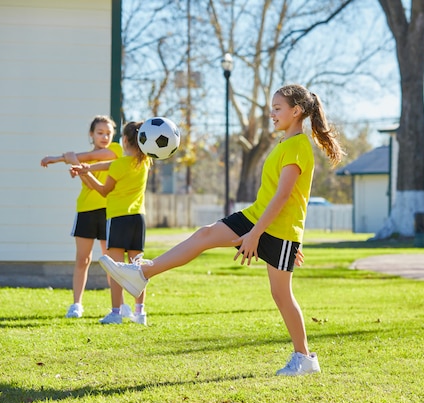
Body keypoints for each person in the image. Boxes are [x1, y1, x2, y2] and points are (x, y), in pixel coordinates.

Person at [98, 84, 345, 375]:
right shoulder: (284, 144)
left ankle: (304, 358)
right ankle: (142, 272)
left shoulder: (298, 146)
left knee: (281, 294)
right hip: (258, 217)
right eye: (272, 108)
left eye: (277, 109)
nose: (272, 114)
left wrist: (259, 236)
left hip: (275, 229)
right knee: (205, 234)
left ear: (296, 111)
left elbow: (285, 196)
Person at [40, 115, 126, 319]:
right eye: (100, 133)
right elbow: (90, 184)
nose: (105, 137)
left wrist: (60, 158)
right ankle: (76, 305)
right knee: (82, 259)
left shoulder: (115, 150)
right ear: (91, 134)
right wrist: (73, 162)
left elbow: (86, 161)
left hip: (109, 211)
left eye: (108, 133)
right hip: (86, 210)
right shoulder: (84, 157)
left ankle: (120, 306)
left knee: (110, 261)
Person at [71, 121, 151, 325]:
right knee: (137, 266)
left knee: (116, 268)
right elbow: (110, 165)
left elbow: (104, 190)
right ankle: (140, 313)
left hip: (118, 218)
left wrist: (87, 173)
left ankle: (116, 312)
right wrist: (88, 167)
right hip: (138, 220)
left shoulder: (119, 165)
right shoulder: (145, 162)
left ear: (124, 140)